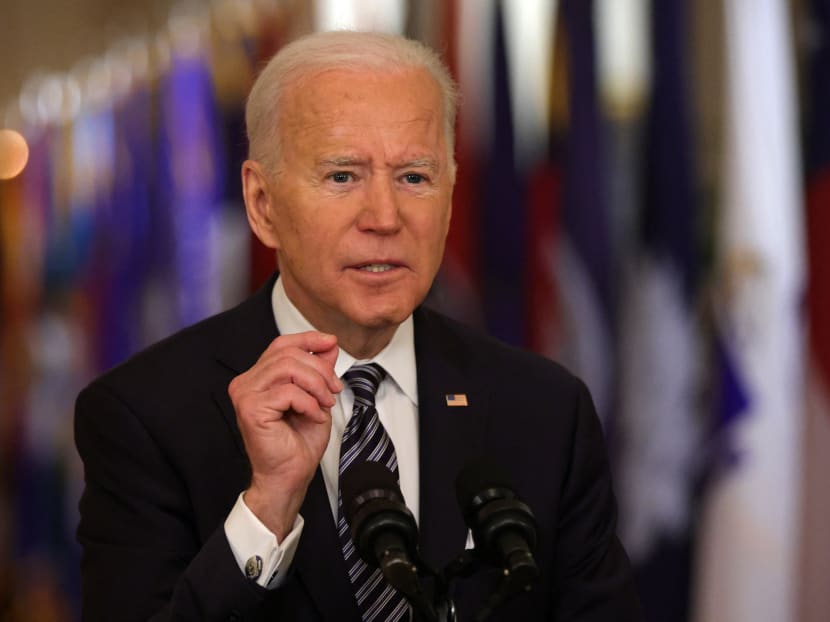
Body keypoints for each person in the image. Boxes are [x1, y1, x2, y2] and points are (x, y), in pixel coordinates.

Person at [74, 31, 642, 621]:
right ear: (262, 203)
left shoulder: (547, 411)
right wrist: (266, 511)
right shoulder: (142, 417)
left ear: (449, 199)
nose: (385, 217)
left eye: (415, 177)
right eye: (343, 176)